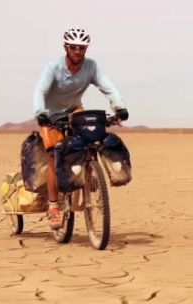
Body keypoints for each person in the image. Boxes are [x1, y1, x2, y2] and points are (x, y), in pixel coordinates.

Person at [33, 26, 128, 229]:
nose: (78, 51)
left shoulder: (91, 67)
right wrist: (40, 113)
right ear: (66, 48)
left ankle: (88, 179)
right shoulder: (54, 67)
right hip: (50, 115)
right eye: (74, 47)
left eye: (82, 48)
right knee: (53, 155)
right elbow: (40, 90)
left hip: (74, 109)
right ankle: (53, 207)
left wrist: (119, 107)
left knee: (89, 141)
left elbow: (107, 86)